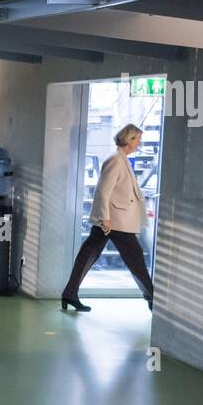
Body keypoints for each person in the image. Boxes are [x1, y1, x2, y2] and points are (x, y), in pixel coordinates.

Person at [61, 123, 154, 312]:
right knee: (135, 258)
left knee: (88, 254)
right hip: (115, 221)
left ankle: (69, 293)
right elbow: (103, 191)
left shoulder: (121, 159)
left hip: (113, 220)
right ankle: (152, 297)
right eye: (138, 140)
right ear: (129, 140)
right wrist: (105, 218)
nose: (139, 144)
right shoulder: (116, 160)